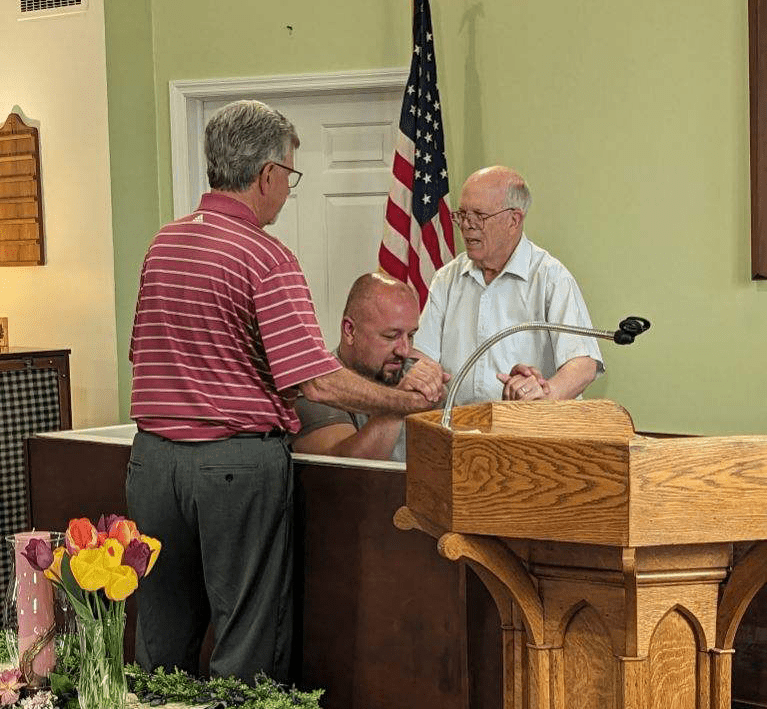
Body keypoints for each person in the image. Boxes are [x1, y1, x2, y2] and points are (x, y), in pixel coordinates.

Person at [126, 100, 446, 686]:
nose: (287, 192)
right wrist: (408, 400)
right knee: (248, 644)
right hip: (233, 468)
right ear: (267, 174)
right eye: (290, 177)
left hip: (152, 464)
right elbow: (313, 379)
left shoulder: (163, 244)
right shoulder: (266, 256)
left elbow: (143, 356)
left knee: (161, 640)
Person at [413, 165, 603, 407]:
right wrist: (422, 374)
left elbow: (583, 364)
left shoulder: (550, 277)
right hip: (455, 423)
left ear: (514, 220)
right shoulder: (447, 278)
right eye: (462, 215)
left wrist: (544, 394)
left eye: (479, 216)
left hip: (525, 425)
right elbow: (422, 355)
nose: (467, 225)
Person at [292, 272, 448, 461]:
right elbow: (346, 471)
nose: (405, 350)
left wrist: (437, 392)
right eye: (391, 336)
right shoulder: (318, 388)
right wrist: (401, 405)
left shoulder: (411, 373)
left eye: (411, 336)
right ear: (350, 331)